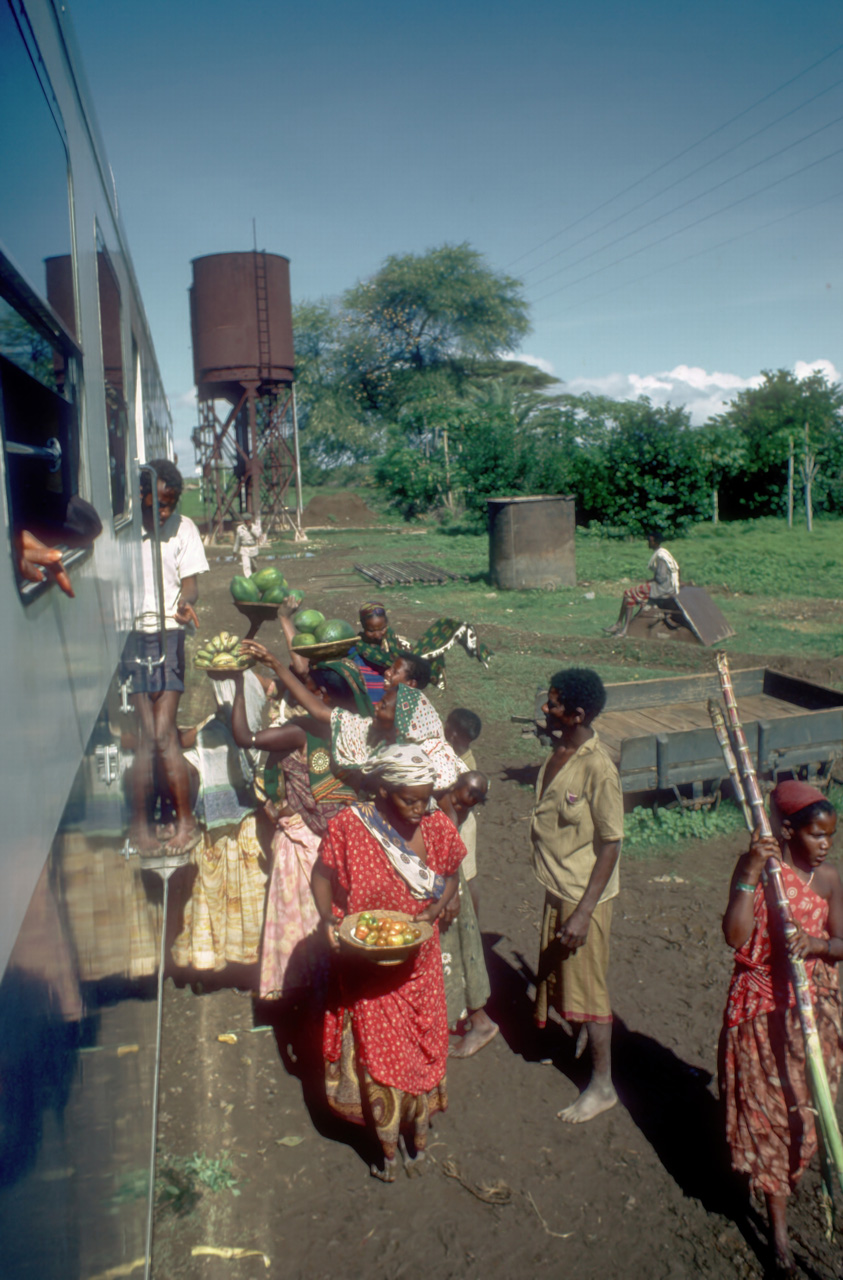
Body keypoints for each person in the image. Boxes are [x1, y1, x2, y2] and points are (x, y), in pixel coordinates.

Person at [311, 745, 465, 1180]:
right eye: (408, 799)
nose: (420, 808)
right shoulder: (350, 827)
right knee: (379, 1056)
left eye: (425, 797)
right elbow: (321, 877)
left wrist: (435, 911)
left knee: (422, 1047)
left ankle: (418, 1139)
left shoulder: (436, 826)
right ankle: (388, 1153)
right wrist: (327, 920)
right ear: (381, 789)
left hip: (421, 963)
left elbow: (452, 872)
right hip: (368, 967)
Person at [719, 780, 843, 1275]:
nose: (825, 844)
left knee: (805, 1111)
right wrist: (750, 871)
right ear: (787, 830)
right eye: (815, 835)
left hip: (815, 1015)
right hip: (760, 1011)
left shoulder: (831, 879)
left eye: (830, 835)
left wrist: (814, 946)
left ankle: (793, 1181)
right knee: (769, 1119)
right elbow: (734, 937)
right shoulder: (759, 870)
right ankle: (779, 1235)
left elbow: (841, 943)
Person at [230, 645, 371, 1000]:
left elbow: (245, 738)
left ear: (322, 697)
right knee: (333, 919)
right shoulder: (357, 729)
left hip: (314, 842)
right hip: (335, 841)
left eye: (315, 689)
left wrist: (236, 687)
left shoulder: (303, 731)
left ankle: (308, 989)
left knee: (307, 923)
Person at [531, 667, 624, 1123]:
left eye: (553, 704)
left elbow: (611, 843)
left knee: (590, 991)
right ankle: (579, 1044)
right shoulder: (561, 749)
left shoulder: (598, 768)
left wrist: (584, 912)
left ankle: (603, 1085)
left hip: (583, 894)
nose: (545, 709)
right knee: (562, 976)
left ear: (578, 713)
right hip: (558, 885)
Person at [122, 459, 208, 853]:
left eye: (171, 503)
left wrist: (184, 604)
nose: (166, 511)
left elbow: (190, 586)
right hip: (131, 637)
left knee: (164, 733)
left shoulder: (184, 529)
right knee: (148, 737)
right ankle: (140, 825)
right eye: (158, 503)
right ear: (140, 496)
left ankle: (184, 821)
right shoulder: (122, 527)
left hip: (170, 637)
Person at [170, 670, 269, 981]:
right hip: (245, 830)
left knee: (208, 896)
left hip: (214, 833)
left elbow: (181, 751)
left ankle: (207, 963)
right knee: (247, 897)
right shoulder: (259, 730)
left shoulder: (214, 730)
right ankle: (245, 967)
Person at [437, 772, 499, 1058]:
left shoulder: (451, 808)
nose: (465, 805)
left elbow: (450, 846)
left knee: (455, 948)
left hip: (448, 881)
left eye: (472, 802)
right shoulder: (445, 797)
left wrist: (450, 895)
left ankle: (479, 1022)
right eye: (463, 798)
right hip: (445, 878)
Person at [353, 601, 492, 691]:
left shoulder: (395, 642)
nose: (378, 635)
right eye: (371, 631)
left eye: (382, 628)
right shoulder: (358, 647)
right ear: (363, 625)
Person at [604, 530, 680, 638]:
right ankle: (624, 629)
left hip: (662, 588)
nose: (648, 543)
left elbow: (661, 577)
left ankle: (619, 625)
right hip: (665, 586)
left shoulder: (660, 556)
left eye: (650, 541)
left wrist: (653, 581)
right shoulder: (663, 553)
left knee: (627, 593)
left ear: (655, 542)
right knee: (629, 598)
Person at [444, 708, 483, 915]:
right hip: (457, 821)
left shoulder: (466, 768)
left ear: (453, 732)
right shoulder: (457, 754)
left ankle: (473, 924)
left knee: (467, 877)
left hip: (462, 824)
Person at [232, 511, 259, 578]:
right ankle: (249, 580)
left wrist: (251, 529)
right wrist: (235, 550)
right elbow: (237, 540)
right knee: (246, 566)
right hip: (244, 549)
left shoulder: (255, 527)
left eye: (248, 520)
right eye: (246, 520)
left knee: (254, 566)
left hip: (253, 548)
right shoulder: (240, 528)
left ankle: (254, 577)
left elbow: (258, 536)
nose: (247, 522)